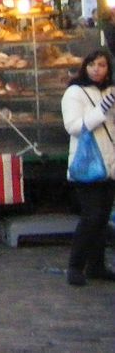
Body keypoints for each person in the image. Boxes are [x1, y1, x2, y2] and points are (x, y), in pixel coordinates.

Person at [61, 48, 115, 286]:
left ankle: (97, 265)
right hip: (88, 164)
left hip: (110, 163)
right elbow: (74, 126)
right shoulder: (75, 93)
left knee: (102, 217)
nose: (96, 69)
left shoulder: (111, 91)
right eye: (92, 64)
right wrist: (102, 110)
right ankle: (75, 265)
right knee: (91, 216)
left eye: (102, 65)